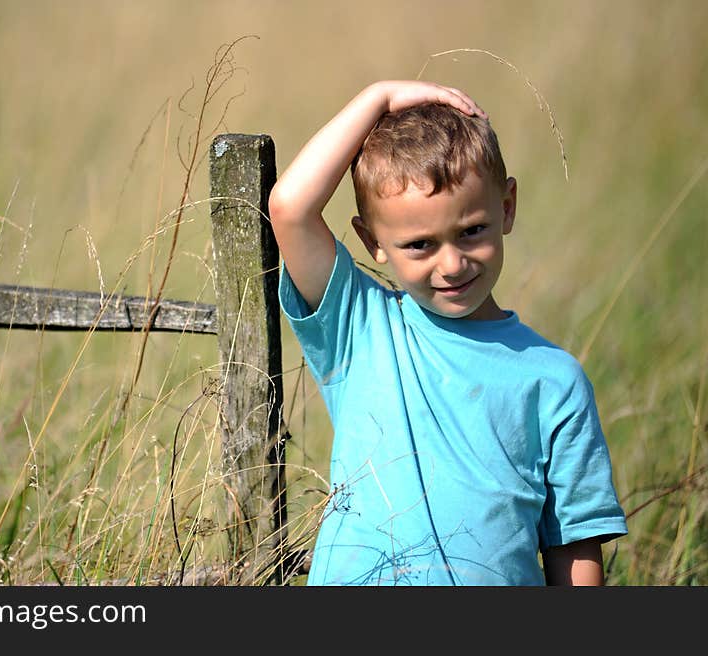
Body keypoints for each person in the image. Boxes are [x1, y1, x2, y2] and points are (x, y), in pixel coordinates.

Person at [268, 80, 628, 586]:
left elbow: (574, 550)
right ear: (373, 241)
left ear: (506, 208)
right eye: (419, 245)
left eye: (472, 231)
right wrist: (380, 97)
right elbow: (290, 206)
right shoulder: (360, 326)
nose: (453, 263)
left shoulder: (555, 381)